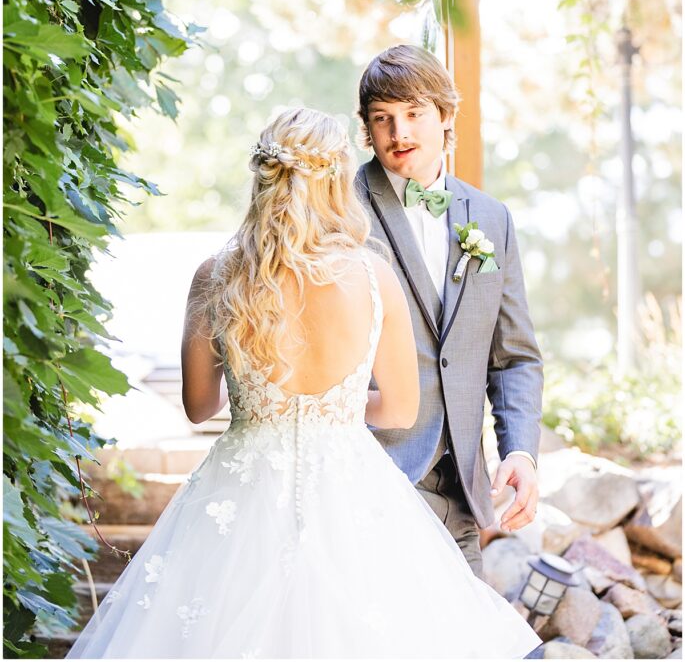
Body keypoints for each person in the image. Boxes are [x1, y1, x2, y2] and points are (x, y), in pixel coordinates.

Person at [67, 107, 541, 659]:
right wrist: (332, 407)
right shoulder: (372, 275)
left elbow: (199, 407)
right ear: (338, 179)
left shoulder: (216, 273)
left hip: (242, 484)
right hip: (348, 478)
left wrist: (264, 401)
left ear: (263, 175)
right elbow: (400, 410)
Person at [355, 45, 544, 577]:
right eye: (382, 119)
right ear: (367, 129)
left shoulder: (491, 217)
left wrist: (521, 453)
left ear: (445, 116)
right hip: (368, 473)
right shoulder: (337, 210)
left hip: (461, 483)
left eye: (414, 113)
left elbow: (515, 358)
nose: (399, 133)